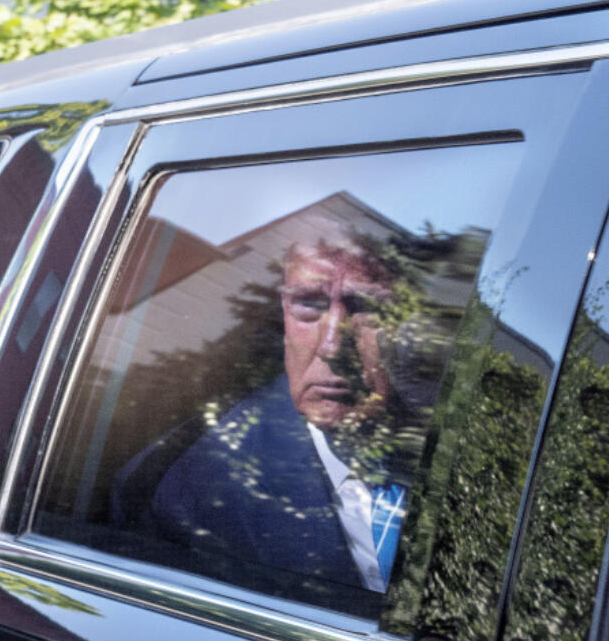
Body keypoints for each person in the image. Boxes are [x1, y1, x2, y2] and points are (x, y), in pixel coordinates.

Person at [114, 221, 418, 593]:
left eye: (366, 308)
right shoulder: (193, 494)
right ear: (285, 319)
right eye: (308, 304)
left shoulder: (459, 436)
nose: (332, 347)